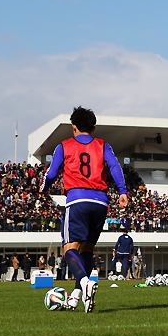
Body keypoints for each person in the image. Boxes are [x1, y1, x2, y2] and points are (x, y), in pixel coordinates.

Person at [41, 106, 128, 313]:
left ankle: (84, 281)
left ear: (73, 127)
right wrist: (123, 191)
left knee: (70, 248)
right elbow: (115, 166)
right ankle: (77, 296)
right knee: (87, 249)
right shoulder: (102, 145)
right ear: (94, 127)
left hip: (77, 200)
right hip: (100, 203)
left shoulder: (64, 146)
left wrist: (44, 187)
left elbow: (52, 172)